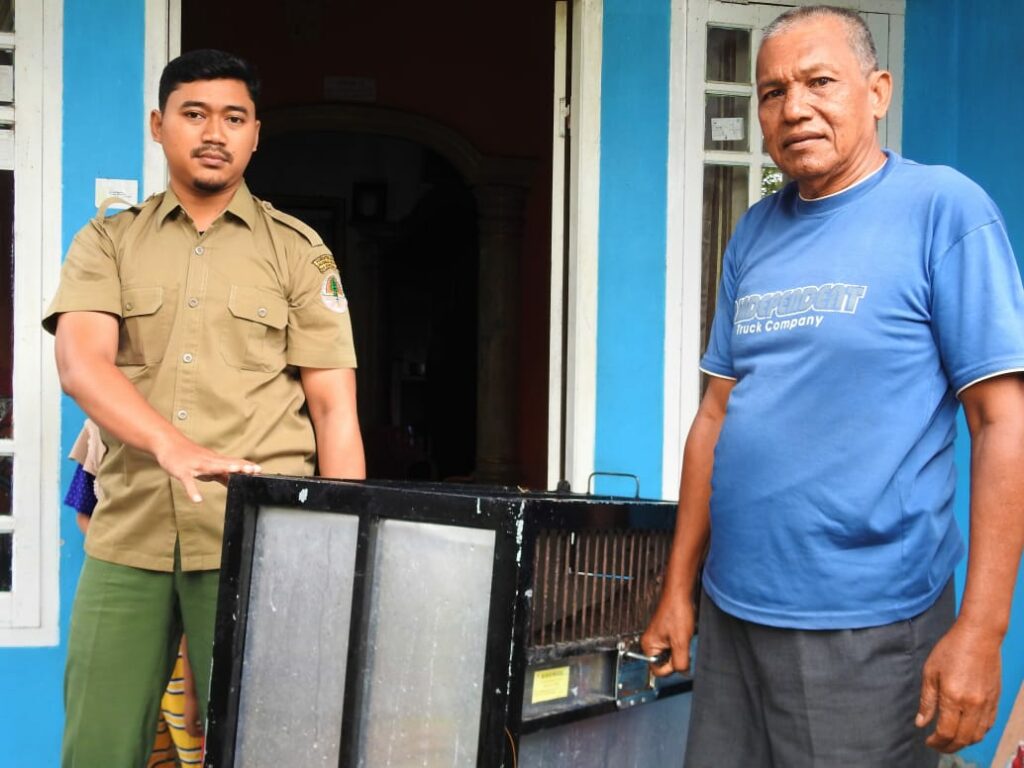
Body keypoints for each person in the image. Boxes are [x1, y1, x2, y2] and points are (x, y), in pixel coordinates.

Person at [642, 6, 1024, 766]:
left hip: (867, 629)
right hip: (733, 611)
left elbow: (1001, 423)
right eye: (772, 91)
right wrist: (678, 589)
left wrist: (983, 630)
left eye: (820, 82)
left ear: (877, 92)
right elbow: (715, 416)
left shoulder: (943, 210)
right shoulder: (754, 231)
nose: (794, 108)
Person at [45, 49, 365, 766]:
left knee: (265, 747)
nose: (214, 133)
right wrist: (172, 446)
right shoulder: (107, 241)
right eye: (194, 114)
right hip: (130, 533)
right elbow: (81, 363)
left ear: (256, 134)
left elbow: (334, 412)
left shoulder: (298, 251)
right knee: (97, 747)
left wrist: (344, 548)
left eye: (233, 118)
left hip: (261, 543)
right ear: (158, 125)